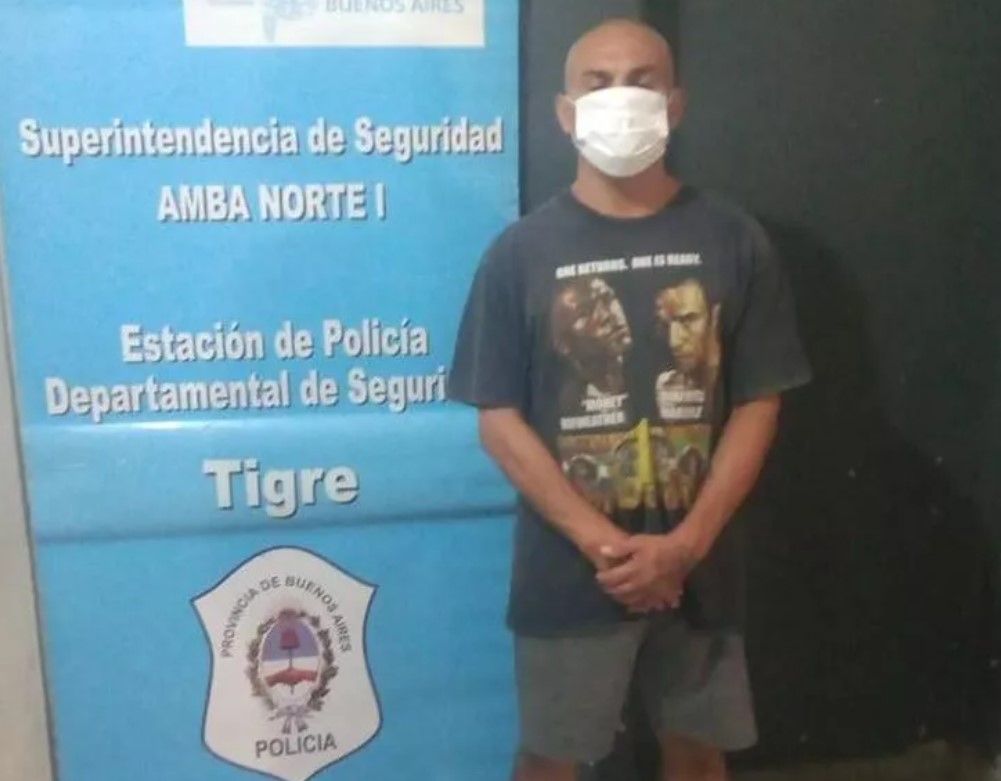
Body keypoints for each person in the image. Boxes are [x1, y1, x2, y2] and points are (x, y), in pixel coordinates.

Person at [448, 17, 811, 781]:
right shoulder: (519, 254)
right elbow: (498, 419)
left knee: (698, 753)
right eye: (598, 82)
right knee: (550, 758)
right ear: (564, 112)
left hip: (701, 569)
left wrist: (683, 546)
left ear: (675, 104)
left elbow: (758, 402)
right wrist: (601, 544)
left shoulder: (732, 238)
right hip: (568, 572)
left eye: (641, 81)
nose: (620, 96)